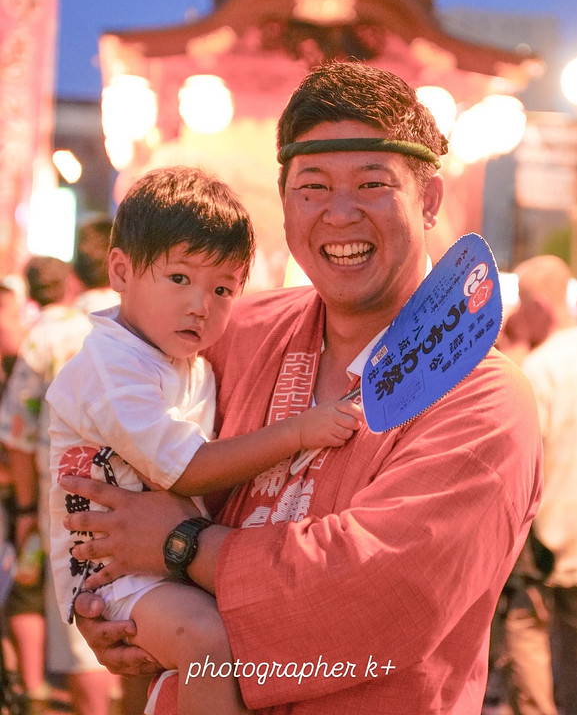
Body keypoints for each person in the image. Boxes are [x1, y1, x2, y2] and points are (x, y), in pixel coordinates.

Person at [61, 61, 542, 715]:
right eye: (313, 187)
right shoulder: (234, 332)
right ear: (284, 203)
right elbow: (106, 440)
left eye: (373, 184)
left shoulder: (484, 401)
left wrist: (182, 547)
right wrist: (111, 601)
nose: (339, 214)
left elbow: (381, 592)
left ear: (429, 200)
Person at [47, 168, 361, 715]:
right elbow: (188, 469)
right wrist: (298, 431)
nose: (201, 304)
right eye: (179, 279)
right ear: (120, 271)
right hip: (115, 574)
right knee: (208, 644)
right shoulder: (112, 367)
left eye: (222, 289)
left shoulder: (178, 357)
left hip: (155, 562)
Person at [0, 246, 121, 715]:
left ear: (76, 276)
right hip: (158, 504)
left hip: (71, 506)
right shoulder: (149, 330)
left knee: (82, 631)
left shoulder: (48, 338)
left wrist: (28, 510)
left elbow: (18, 433)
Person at [503, 255, 577, 715]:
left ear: (540, 301)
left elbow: (520, 462)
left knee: (526, 628)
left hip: (542, 541)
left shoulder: (538, 370)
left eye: (522, 301)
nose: (518, 314)